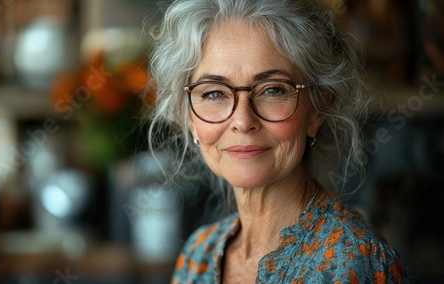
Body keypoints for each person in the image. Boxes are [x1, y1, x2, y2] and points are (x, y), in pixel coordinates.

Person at [145, 0, 414, 282]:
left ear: (318, 109)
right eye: (214, 93)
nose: (243, 120)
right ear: (188, 115)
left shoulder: (353, 263)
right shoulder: (198, 254)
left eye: (272, 90)